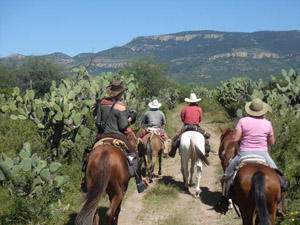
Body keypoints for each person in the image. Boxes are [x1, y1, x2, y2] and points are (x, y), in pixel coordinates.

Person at [220, 98, 288, 215]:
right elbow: (271, 142)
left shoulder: (243, 121)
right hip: (263, 155)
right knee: (280, 177)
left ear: (250, 110)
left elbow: (235, 138)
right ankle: (280, 206)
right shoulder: (267, 123)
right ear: (262, 111)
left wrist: (227, 150)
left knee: (226, 176)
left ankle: (224, 202)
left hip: (243, 154)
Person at [82, 80, 148, 193]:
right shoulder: (120, 106)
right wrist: (130, 119)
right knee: (134, 155)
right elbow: (123, 126)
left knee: (89, 154)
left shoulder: (102, 104)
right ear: (120, 93)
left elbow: (98, 122)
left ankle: (85, 180)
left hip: (102, 135)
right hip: (118, 136)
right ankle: (139, 181)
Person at [170, 93, 211, 157]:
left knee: (177, 138)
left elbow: (182, 118)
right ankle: (206, 151)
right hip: (196, 127)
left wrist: (186, 121)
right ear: (196, 101)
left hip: (186, 126)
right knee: (206, 137)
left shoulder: (185, 109)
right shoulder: (199, 109)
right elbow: (200, 119)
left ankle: (173, 151)